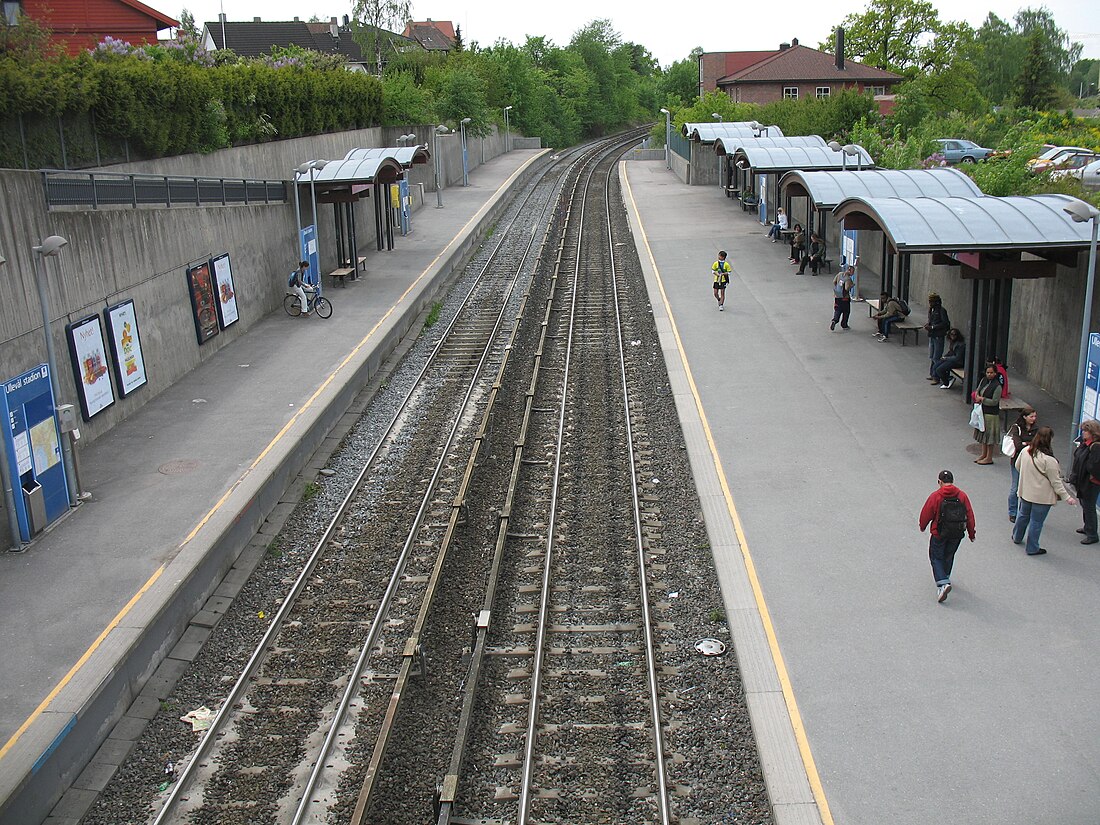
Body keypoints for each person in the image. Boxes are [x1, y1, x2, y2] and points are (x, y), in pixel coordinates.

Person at [1012, 426, 1076, 556]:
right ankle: (1032, 548)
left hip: (1026, 492)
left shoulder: (1026, 451)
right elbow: (1056, 482)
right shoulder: (1050, 460)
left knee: (1023, 515)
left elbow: (1017, 466)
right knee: (1036, 522)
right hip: (1042, 497)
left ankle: (1017, 537)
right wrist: (1067, 497)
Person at [918, 469, 976, 603]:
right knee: (949, 555)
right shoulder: (962, 496)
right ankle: (946, 575)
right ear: (952, 481)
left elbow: (927, 512)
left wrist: (922, 526)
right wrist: (971, 533)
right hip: (956, 533)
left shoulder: (936, 496)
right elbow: (970, 515)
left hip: (939, 533)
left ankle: (942, 583)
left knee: (936, 557)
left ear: (939, 482)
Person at [1069, 419, 1100, 544]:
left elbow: (1094, 466)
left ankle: (1092, 534)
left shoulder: (1096, 446)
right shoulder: (1086, 443)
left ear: (1093, 432)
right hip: (1083, 480)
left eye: (1085, 431)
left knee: (1089, 506)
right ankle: (1088, 527)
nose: (1083, 433)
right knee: (1084, 504)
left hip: (1091, 482)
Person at [1006, 407, 1038, 522]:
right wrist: (1030, 444)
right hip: (1017, 461)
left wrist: (1026, 443)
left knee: (1026, 488)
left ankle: (1023, 512)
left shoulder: (1036, 429)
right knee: (1015, 488)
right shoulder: (1017, 428)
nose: (1034, 419)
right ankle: (1013, 512)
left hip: (1031, 462)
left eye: (1035, 416)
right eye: (1031, 416)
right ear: (1025, 417)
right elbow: (1018, 445)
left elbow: (1037, 444)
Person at [972, 363, 1003, 464]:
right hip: (982, 411)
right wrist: (977, 394)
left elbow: (995, 401)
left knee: (989, 437)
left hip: (991, 414)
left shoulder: (997, 386)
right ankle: (983, 454)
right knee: (983, 434)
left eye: (992, 372)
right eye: (988, 372)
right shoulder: (984, 380)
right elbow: (978, 389)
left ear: (995, 373)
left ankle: (989, 457)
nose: (989, 374)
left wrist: (982, 399)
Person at [924, 293, 951, 380]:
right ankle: (932, 374)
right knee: (932, 356)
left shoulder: (941, 310)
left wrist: (932, 327)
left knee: (937, 357)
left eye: (931, 301)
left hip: (938, 335)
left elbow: (945, 323)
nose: (930, 303)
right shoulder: (931, 310)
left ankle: (937, 376)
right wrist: (928, 324)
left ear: (936, 302)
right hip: (932, 335)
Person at [830, 265, 854, 331]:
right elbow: (846, 288)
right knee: (846, 311)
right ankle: (844, 324)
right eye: (852, 271)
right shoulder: (848, 279)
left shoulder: (840, 274)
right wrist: (852, 285)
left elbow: (834, 281)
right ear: (849, 271)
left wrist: (837, 289)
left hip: (837, 296)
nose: (853, 273)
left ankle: (835, 320)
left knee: (837, 310)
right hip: (845, 298)